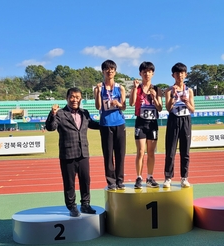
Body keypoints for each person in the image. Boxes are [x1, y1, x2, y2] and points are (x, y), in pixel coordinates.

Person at [45, 87, 99, 217]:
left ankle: (85, 204)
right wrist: (52, 114)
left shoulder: (85, 113)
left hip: (83, 153)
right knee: (69, 182)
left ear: (81, 99)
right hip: (67, 154)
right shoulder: (60, 113)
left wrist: (110, 124)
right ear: (67, 98)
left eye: (78, 97)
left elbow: (94, 124)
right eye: (72, 97)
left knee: (85, 180)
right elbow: (50, 127)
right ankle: (72, 206)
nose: (75, 99)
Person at [129, 61, 162, 189]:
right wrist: (133, 89)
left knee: (151, 152)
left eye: (149, 71)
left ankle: (150, 177)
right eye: (144, 72)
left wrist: (154, 98)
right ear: (140, 73)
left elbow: (159, 108)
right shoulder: (137, 89)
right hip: (141, 123)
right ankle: (139, 177)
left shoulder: (157, 89)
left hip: (152, 123)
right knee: (141, 151)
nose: (147, 74)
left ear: (152, 73)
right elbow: (131, 103)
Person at [94, 59, 126, 191]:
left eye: (112, 69)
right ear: (103, 71)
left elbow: (123, 107)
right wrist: (97, 92)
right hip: (106, 124)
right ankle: (111, 181)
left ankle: (120, 180)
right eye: (107, 69)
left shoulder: (120, 88)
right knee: (108, 154)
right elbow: (98, 106)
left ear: (115, 71)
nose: (109, 71)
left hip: (119, 123)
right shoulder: (99, 87)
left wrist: (117, 104)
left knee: (120, 153)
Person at [163, 62, 195, 188]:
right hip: (173, 119)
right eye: (177, 73)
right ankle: (168, 177)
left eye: (182, 73)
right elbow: (168, 108)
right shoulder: (169, 90)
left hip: (185, 120)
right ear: (173, 75)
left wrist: (186, 102)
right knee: (170, 151)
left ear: (185, 74)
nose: (179, 76)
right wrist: (172, 96)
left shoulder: (189, 90)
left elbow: (193, 109)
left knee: (185, 151)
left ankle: (184, 177)